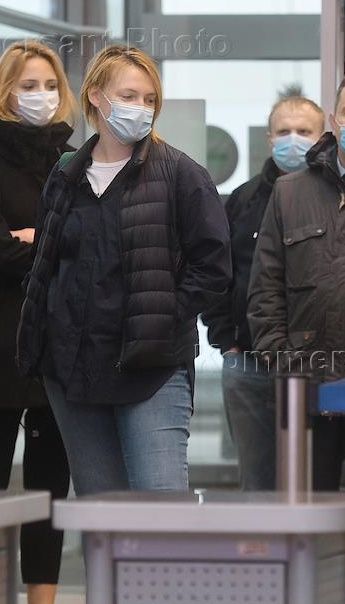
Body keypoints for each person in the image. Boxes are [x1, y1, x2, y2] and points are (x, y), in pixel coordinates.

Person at [16, 43, 229, 497]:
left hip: (151, 369)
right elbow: (45, 264)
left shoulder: (181, 174)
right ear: (96, 96)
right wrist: (44, 334)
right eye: (129, 96)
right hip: (73, 371)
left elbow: (213, 269)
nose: (141, 108)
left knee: (160, 505)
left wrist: (162, 316)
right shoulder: (66, 175)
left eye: (149, 99)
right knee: (100, 512)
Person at [0, 41, 81, 604]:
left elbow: (86, 246)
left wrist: (35, 241)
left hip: (56, 348)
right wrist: (44, 245)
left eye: (48, 84)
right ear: (2, 90)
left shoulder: (76, 160)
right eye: (25, 84)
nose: (38, 95)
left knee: (49, 488)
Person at [247, 69, 345, 493]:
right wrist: (285, 363)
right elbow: (265, 291)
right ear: (334, 120)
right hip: (307, 386)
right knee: (307, 514)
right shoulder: (290, 192)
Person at [202, 88, 325, 491]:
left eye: (304, 131)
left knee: (327, 485)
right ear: (270, 138)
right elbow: (216, 273)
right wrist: (227, 341)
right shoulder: (243, 200)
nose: (293, 140)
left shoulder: (333, 197)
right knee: (258, 484)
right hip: (250, 364)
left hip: (323, 366)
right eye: (284, 131)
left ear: (322, 137)